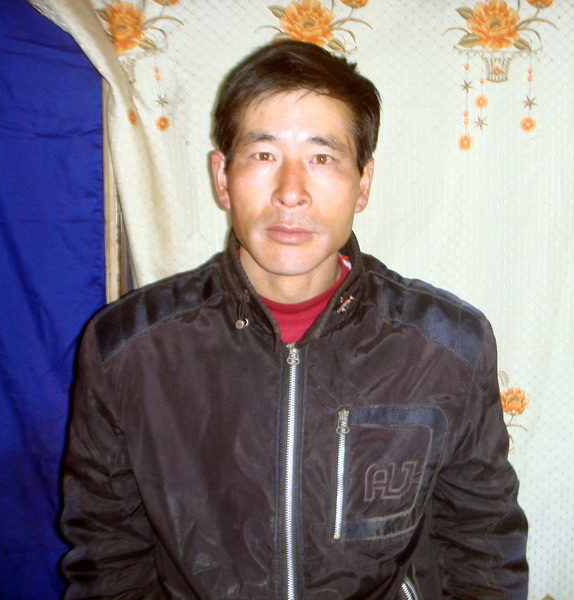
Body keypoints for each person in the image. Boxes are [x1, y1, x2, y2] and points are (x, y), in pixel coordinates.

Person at [61, 40, 527, 599]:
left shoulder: (446, 347)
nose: (290, 193)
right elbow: (108, 556)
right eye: (263, 155)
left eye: (321, 158)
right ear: (222, 177)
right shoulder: (128, 348)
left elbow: (480, 547)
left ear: (364, 183)